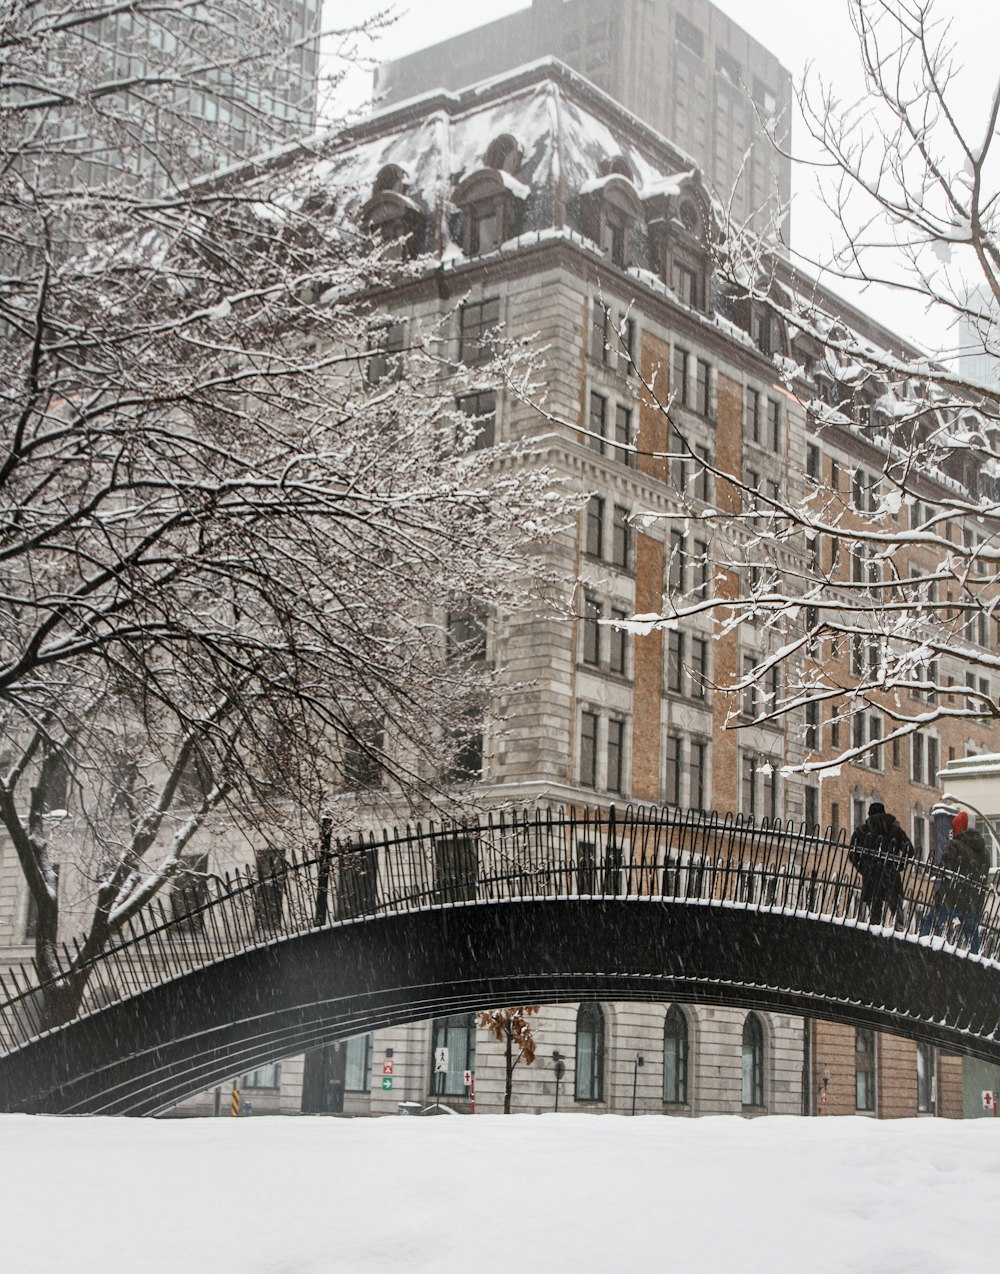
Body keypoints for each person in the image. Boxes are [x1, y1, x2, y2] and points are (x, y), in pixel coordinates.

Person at [921, 811, 990, 952]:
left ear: (960, 827)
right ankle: (976, 964)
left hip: (952, 897)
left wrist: (934, 870)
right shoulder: (984, 851)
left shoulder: (954, 845)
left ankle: (921, 948)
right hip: (973, 901)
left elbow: (946, 867)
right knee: (972, 937)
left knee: (930, 921)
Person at [849, 802, 914, 927]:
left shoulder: (862, 831)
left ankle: (875, 933)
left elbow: (853, 854)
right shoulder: (895, 830)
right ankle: (899, 930)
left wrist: (863, 868)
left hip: (871, 876)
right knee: (896, 907)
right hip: (891, 874)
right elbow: (909, 849)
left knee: (875, 912)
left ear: (869, 814)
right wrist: (898, 866)